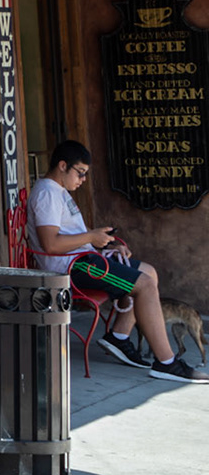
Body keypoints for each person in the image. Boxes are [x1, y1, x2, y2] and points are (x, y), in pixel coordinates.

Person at [29, 139, 207, 383]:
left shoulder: (58, 191)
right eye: (79, 173)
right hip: (70, 267)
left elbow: (70, 235)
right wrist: (92, 236)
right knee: (143, 284)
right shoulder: (48, 193)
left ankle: (119, 337)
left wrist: (105, 243)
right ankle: (167, 362)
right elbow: (50, 243)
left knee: (149, 272)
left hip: (83, 257)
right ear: (62, 166)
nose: (82, 180)